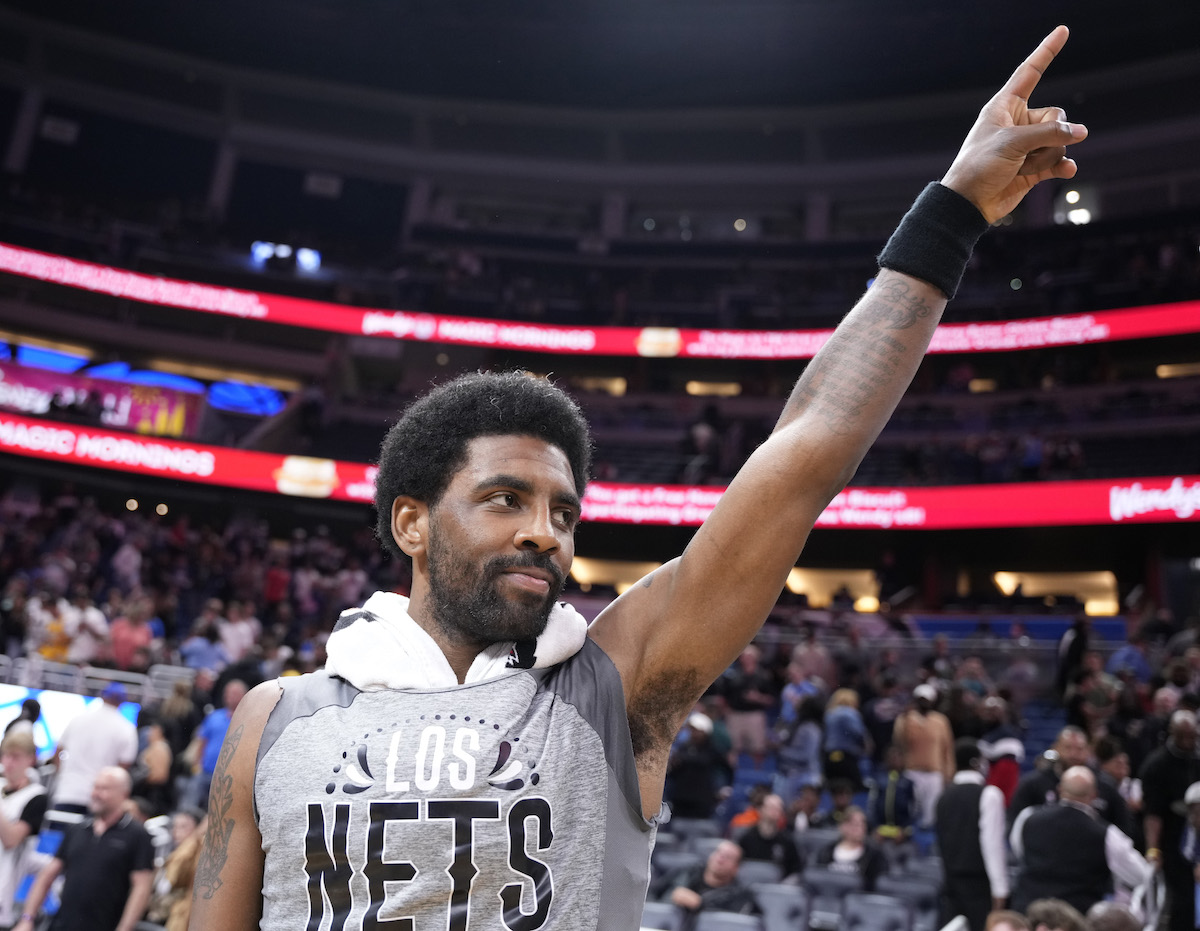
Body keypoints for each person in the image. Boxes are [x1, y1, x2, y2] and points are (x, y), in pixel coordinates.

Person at [188, 28, 1088, 931]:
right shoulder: (275, 717)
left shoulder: (611, 686)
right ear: (412, 523)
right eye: (506, 498)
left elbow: (807, 447)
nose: (546, 529)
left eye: (563, 509)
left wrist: (953, 212)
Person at [15, 767, 154, 931]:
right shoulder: (78, 829)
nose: (96, 793)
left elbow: (141, 888)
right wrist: (27, 919)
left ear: (124, 794)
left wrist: (124, 929)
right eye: (96, 787)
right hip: (63, 925)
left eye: (105, 789)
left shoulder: (137, 835)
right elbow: (47, 875)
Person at [1009, 767, 1151, 915]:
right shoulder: (1107, 834)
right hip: (1076, 918)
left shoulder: (1028, 817)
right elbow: (1140, 875)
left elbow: (1019, 850)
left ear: (1059, 789)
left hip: (1028, 912)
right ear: (1094, 795)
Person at [935, 739, 1009, 931]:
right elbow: (992, 844)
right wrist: (1000, 890)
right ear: (977, 762)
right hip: (979, 888)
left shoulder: (943, 796)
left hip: (950, 885)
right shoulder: (989, 794)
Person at [1139, 710, 1200, 931]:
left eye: (1192, 735)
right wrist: (1153, 850)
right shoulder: (1156, 765)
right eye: (1182, 735)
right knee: (1181, 900)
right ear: (1171, 733)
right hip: (1172, 837)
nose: (1188, 741)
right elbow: (1153, 814)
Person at [1008, 726, 1131, 834]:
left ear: (1088, 751)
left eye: (1079, 749)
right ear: (1056, 748)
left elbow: (1123, 828)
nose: (1073, 754)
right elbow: (1016, 825)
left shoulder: (1105, 786)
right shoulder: (1032, 784)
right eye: (1068, 748)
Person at [49, 683, 138, 815]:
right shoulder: (126, 728)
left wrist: (63, 775)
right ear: (122, 701)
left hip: (67, 791)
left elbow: (57, 752)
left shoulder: (78, 719)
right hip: (100, 800)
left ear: (102, 696)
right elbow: (123, 768)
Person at [0, 733, 48, 928]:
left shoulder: (36, 797)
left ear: (30, 759)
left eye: (16, 756)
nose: (9, 762)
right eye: (6, 755)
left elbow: (11, 839)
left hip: (5, 887)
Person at [894, 683, 954, 828]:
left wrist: (949, 773)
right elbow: (899, 742)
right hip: (912, 770)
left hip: (934, 772)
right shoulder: (906, 719)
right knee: (912, 810)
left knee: (932, 815)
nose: (924, 703)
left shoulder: (940, 721)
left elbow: (947, 749)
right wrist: (905, 718)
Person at [665, 840, 757, 929]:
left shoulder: (741, 896)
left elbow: (732, 924)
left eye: (728, 857)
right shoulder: (687, 873)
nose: (720, 859)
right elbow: (653, 894)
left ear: (736, 868)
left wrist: (700, 905)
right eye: (718, 852)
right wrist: (669, 897)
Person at [186, 679, 246, 810]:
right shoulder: (214, 716)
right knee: (191, 804)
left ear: (244, 696)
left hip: (229, 778)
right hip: (206, 771)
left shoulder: (247, 719)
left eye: (234, 694)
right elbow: (202, 741)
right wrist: (197, 764)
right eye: (228, 693)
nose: (230, 697)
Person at [813, 806, 886, 891]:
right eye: (855, 824)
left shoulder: (874, 856)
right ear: (843, 826)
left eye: (862, 824)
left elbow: (876, 885)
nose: (860, 828)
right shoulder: (826, 852)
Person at [735, 792, 803, 880]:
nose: (775, 811)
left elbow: (795, 870)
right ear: (760, 809)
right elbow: (736, 864)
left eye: (779, 808)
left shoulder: (787, 841)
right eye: (771, 807)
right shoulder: (745, 837)